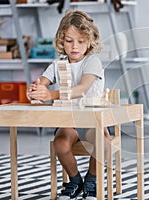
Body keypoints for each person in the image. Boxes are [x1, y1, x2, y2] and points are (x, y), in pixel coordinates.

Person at [27, 10, 109, 200]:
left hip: (91, 120)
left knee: (103, 143)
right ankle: (74, 181)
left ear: (89, 42)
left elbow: (82, 88)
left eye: (81, 41)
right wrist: (36, 90)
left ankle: (92, 179)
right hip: (68, 121)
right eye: (69, 40)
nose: (74, 46)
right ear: (61, 41)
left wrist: (51, 94)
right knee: (60, 143)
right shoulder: (58, 64)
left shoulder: (92, 61)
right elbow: (42, 82)